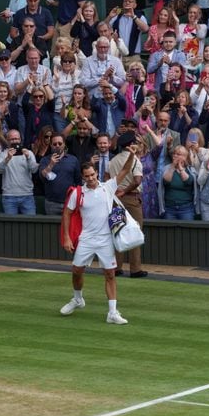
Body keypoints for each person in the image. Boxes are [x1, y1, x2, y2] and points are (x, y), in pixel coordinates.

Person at [59, 144, 138, 325]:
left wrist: (132, 155)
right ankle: (78, 299)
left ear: (97, 173)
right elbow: (67, 213)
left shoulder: (108, 187)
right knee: (76, 271)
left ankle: (112, 312)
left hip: (105, 240)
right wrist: (66, 237)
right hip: (86, 238)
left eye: (93, 175)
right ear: (83, 177)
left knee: (110, 274)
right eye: (87, 176)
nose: (91, 179)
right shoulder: (78, 193)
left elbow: (126, 169)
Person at [106, 132, 146, 278]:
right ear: (131, 145)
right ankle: (135, 269)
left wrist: (117, 192)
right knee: (135, 232)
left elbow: (106, 178)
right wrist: (125, 191)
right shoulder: (135, 160)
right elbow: (137, 181)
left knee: (118, 232)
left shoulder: (112, 161)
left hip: (115, 199)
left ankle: (116, 267)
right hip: (131, 198)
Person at [0, 129, 38, 215]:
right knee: (10, 227)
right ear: (7, 140)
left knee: (30, 225)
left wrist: (28, 157)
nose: (15, 141)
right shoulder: (3, 154)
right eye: (12, 139)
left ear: (20, 140)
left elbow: (34, 170)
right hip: (9, 197)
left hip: (27, 195)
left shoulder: (29, 153)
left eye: (16, 139)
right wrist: (7, 159)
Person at [38, 132, 81, 215]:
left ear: (64, 144)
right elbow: (42, 177)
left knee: (69, 227)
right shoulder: (45, 160)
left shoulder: (73, 160)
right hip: (51, 203)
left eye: (60, 143)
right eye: (54, 144)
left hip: (70, 202)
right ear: (50, 145)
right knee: (51, 228)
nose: (57, 145)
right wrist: (51, 164)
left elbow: (78, 181)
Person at [105, 0, 149, 69]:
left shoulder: (139, 16)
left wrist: (133, 16)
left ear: (135, 5)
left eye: (130, 1)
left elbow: (146, 29)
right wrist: (110, 16)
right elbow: (103, 28)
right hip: (118, 56)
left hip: (134, 57)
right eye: (125, 1)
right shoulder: (117, 16)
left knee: (135, 79)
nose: (127, 3)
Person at [162, 145, 196, 220]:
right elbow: (166, 181)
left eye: (178, 154)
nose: (175, 156)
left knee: (187, 231)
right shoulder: (167, 168)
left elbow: (188, 182)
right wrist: (173, 166)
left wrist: (180, 168)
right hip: (169, 208)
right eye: (174, 153)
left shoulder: (190, 169)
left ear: (185, 157)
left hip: (186, 208)